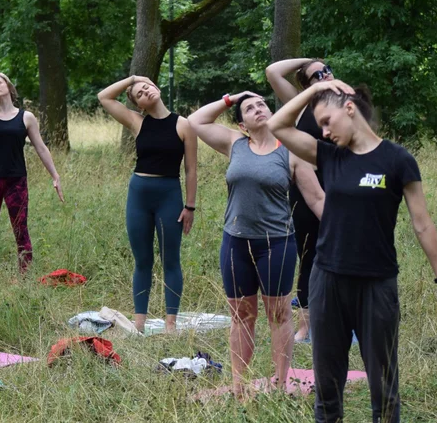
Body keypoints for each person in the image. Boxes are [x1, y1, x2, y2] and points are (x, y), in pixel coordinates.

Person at [270, 79, 437, 423]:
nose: (323, 131)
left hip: (376, 284)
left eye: (327, 120)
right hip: (327, 281)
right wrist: (315, 92)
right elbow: (278, 127)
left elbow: (422, 224)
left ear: (350, 108)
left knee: (382, 379)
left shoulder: (397, 160)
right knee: (328, 378)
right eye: (320, 125)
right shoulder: (328, 155)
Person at [189, 92, 323, 398]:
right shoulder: (234, 144)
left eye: (262, 104)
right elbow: (196, 121)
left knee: (278, 314)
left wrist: (343, 232)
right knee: (241, 315)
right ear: (242, 124)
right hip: (235, 242)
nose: (258, 108)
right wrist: (228, 99)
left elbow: (316, 198)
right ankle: (239, 384)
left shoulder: (290, 151)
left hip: (276, 244)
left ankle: (280, 381)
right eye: (250, 108)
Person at [98, 75, 197, 334]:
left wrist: (190, 206)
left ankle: (170, 324)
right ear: (139, 105)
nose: (145, 92)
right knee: (142, 260)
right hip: (139, 194)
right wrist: (133, 78)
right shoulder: (137, 122)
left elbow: (191, 170)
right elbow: (104, 97)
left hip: (170, 195)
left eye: (147, 87)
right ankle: (139, 323)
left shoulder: (183, 124)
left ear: (157, 88)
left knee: (170, 260)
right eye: (139, 94)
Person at [0, 72, 63, 273]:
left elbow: (40, 147)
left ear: (8, 86)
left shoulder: (26, 117)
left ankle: (25, 276)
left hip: (16, 180)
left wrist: (55, 175)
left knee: (20, 229)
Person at [265, 57, 335, 344]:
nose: (325, 75)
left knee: (341, 252)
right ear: (306, 85)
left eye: (327, 70)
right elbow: (272, 71)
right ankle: (306, 328)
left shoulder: (347, 105)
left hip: (340, 185)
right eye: (316, 75)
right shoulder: (300, 104)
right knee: (309, 257)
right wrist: (308, 61)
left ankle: (339, 318)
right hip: (307, 188)